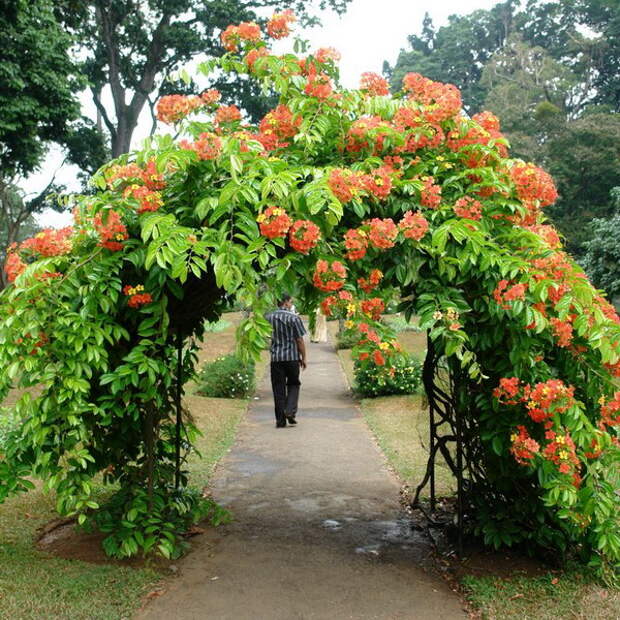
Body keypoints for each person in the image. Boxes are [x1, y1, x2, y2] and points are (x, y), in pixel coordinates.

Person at [266, 294, 307, 428]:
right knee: (294, 384)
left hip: (276, 358)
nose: (291, 304)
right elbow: (299, 340)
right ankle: (289, 410)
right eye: (290, 302)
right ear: (286, 303)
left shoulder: (269, 317)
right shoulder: (294, 318)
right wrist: (303, 357)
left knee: (278, 388)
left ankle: (280, 420)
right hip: (292, 358)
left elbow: (266, 337)